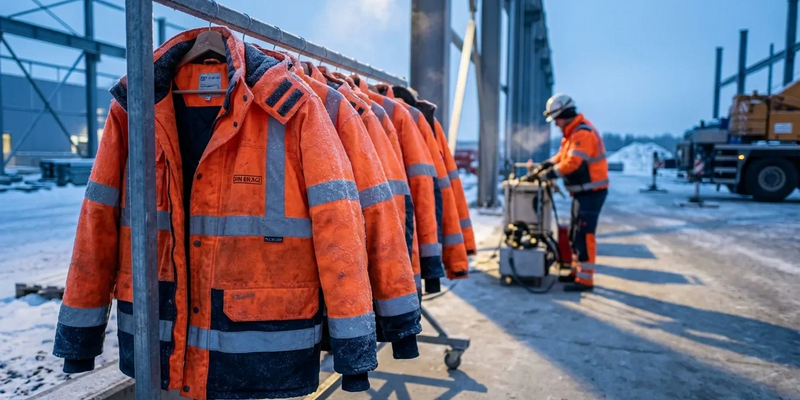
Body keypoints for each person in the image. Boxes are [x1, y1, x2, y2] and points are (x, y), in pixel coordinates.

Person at [535, 94, 609, 292]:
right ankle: (577, 273)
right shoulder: (573, 132)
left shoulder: (583, 133)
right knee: (576, 234)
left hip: (592, 193)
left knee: (584, 234)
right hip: (583, 193)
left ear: (565, 114)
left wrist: (551, 173)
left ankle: (585, 280)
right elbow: (562, 156)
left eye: (556, 119)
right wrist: (548, 163)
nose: (556, 124)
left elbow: (573, 163)